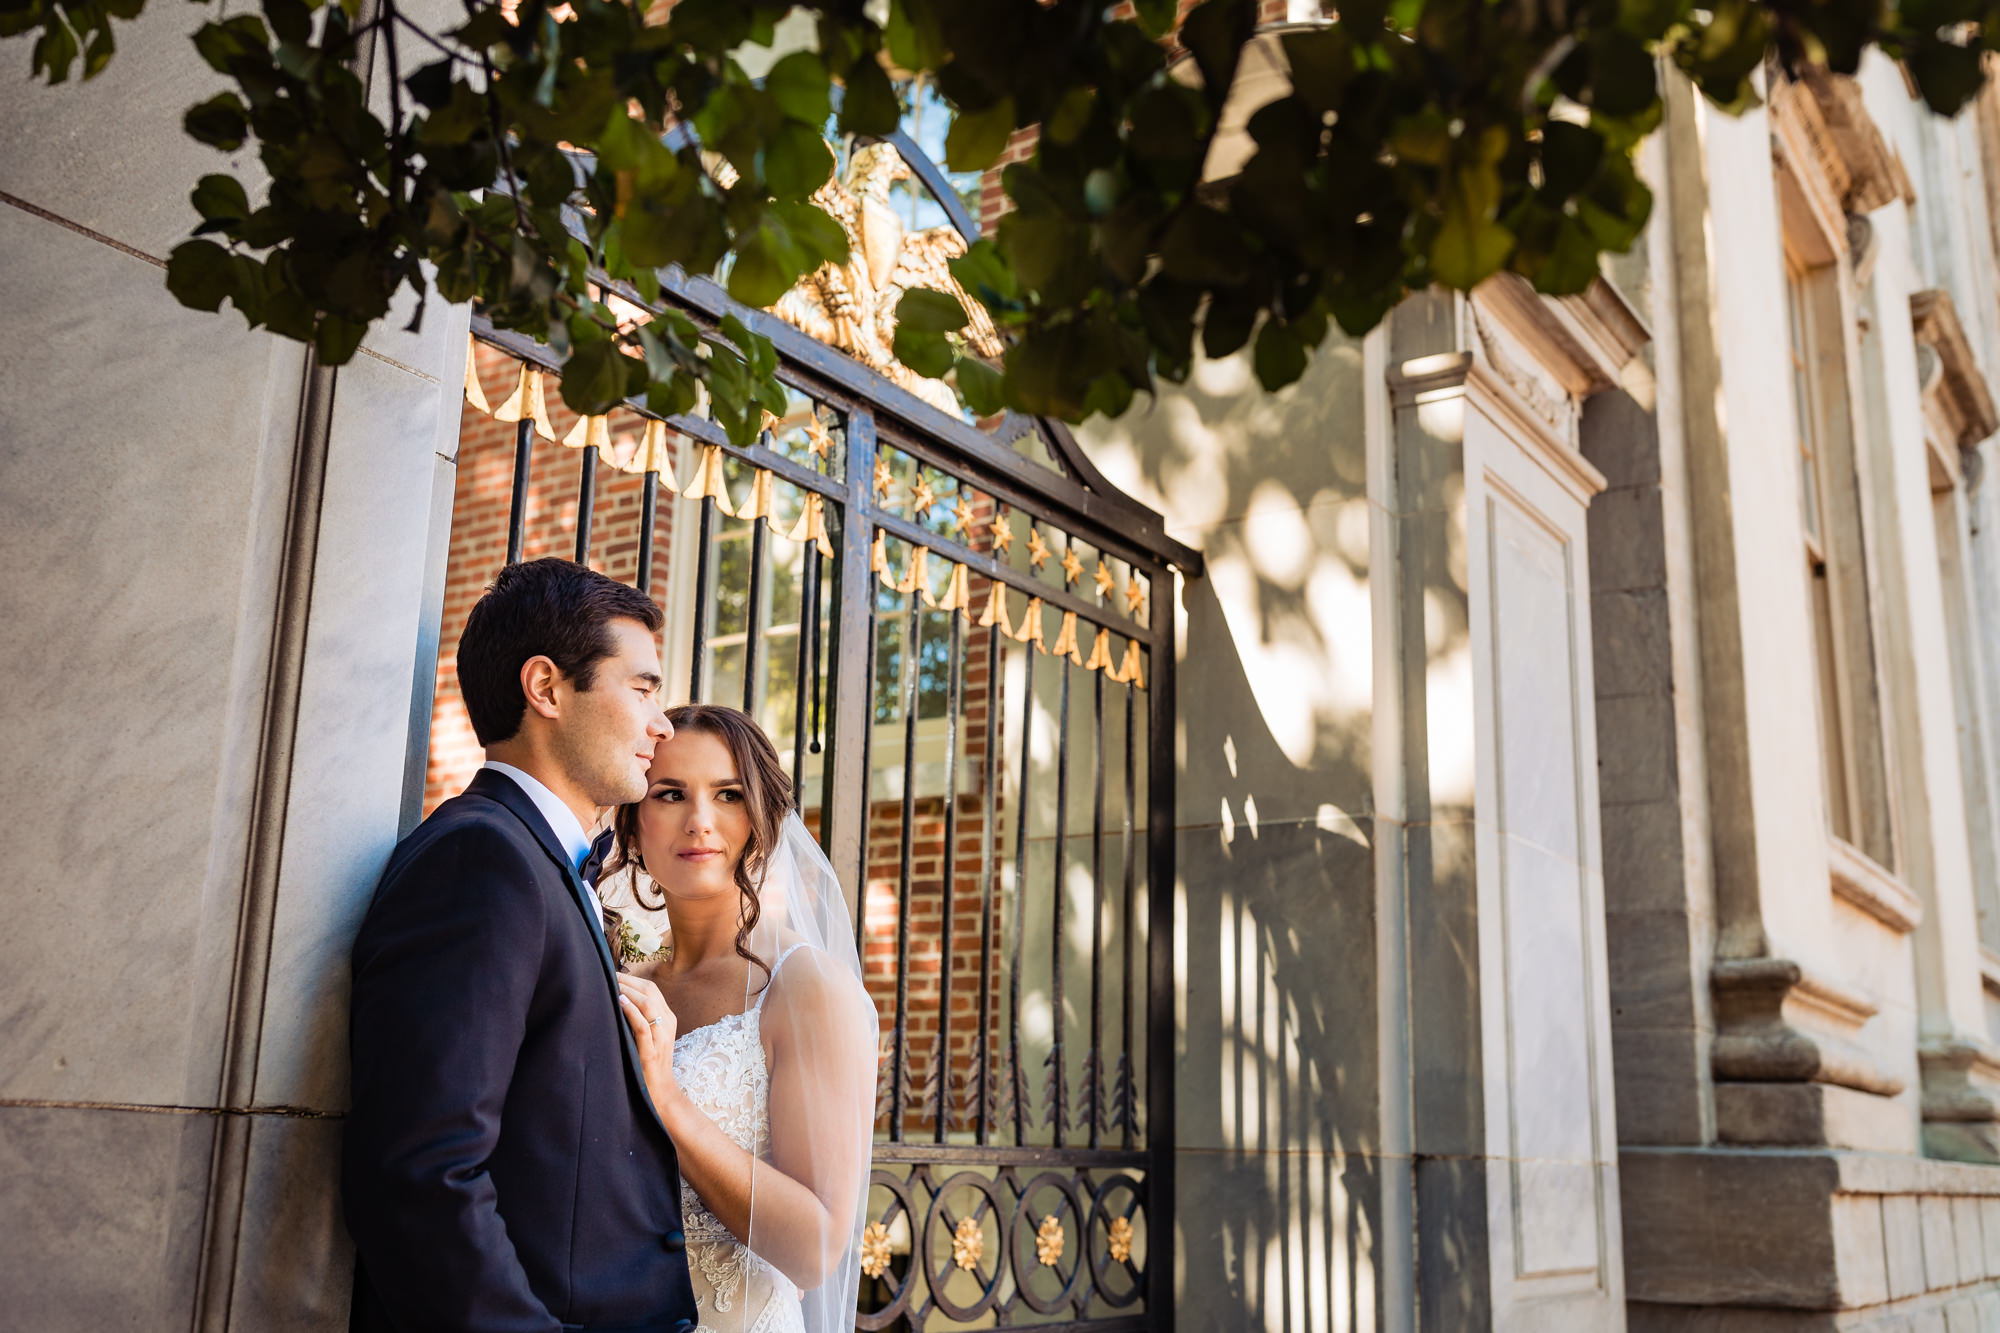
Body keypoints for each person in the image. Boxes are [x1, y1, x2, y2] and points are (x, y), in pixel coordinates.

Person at [343, 557, 700, 1333]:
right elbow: (423, 1174)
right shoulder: (483, 861)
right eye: (641, 688)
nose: (662, 723)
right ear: (545, 687)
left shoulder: (531, 860)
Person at [606, 705, 879, 1333]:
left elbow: (816, 1250)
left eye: (727, 795)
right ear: (633, 820)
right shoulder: (628, 986)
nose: (699, 821)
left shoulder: (806, 988)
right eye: (669, 793)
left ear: (758, 820)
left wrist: (669, 1102)